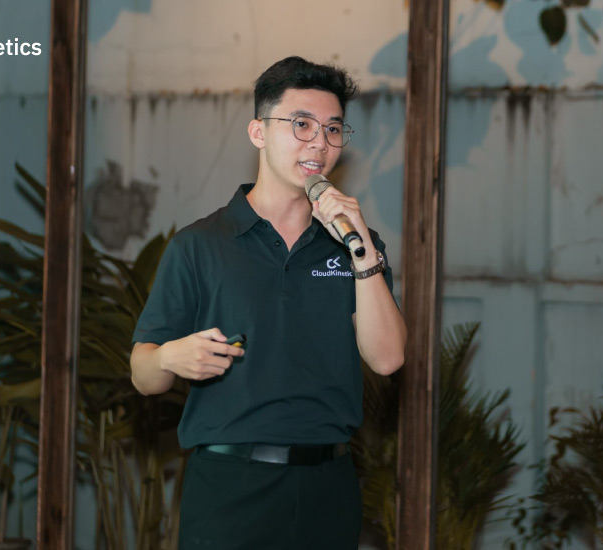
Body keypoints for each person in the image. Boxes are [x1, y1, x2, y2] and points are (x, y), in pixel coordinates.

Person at [130, 56, 406, 550]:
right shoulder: (200, 245)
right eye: (301, 124)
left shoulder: (355, 245)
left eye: (333, 129)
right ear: (258, 132)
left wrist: (362, 248)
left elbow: (388, 358)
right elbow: (143, 374)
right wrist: (170, 356)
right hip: (229, 486)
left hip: (329, 485)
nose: (319, 142)